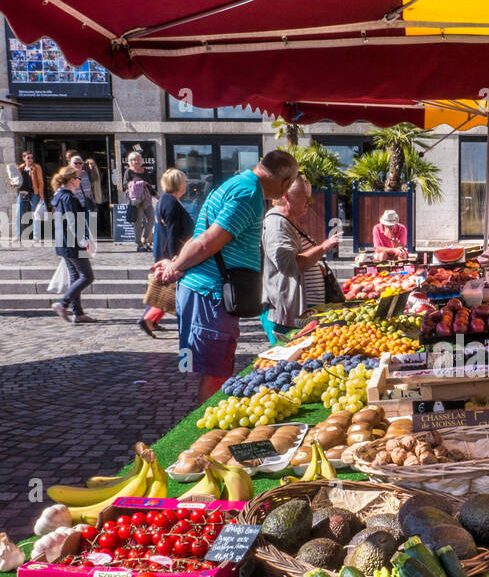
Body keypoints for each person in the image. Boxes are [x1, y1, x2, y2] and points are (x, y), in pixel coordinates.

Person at [151, 150, 299, 403]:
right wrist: (175, 268)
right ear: (284, 182)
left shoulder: (236, 183)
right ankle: (202, 430)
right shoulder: (248, 193)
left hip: (205, 290)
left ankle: (199, 414)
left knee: (208, 365)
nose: (285, 193)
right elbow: (209, 242)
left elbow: (201, 236)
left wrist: (177, 262)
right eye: (289, 186)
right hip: (211, 292)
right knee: (217, 371)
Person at [261, 174, 340, 339]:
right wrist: (323, 247)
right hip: (288, 315)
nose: (309, 202)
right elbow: (289, 265)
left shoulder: (289, 221)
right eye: (304, 197)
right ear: (285, 196)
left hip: (302, 312)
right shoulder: (277, 224)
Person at [140, 168, 194, 338]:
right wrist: (173, 260)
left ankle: (150, 320)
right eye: (184, 181)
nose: (186, 184)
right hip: (172, 254)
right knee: (168, 289)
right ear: (178, 184)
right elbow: (172, 232)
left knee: (165, 288)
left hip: (169, 252)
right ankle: (149, 319)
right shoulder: (170, 202)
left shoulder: (167, 200)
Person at [50, 166, 95, 324]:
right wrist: (83, 240)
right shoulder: (68, 197)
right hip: (73, 243)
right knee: (87, 276)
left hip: (63, 243)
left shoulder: (59, 196)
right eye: (78, 178)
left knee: (75, 276)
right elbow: (72, 221)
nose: (79, 181)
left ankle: (78, 313)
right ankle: (63, 303)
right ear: (71, 180)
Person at [125, 154, 154, 253]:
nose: (136, 161)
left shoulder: (144, 171)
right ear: (130, 161)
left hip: (146, 199)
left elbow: (150, 185)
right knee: (138, 222)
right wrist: (138, 184)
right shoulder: (128, 171)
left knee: (151, 219)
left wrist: (156, 195)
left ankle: (144, 238)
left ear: (141, 160)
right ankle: (139, 244)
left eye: (138, 159)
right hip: (136, 201)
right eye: (133, 160)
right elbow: (125, 185)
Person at [13, 149, 43, 241]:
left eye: (31, 158)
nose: (30, 159)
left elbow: (40, 181)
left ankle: (36, 235)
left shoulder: (36, 167)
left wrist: (41, 194)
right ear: (24, 158)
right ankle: (17, 235)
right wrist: (13, 183)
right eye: (28, 158)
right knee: (18, 212)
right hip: (23, 192)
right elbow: (14, 179)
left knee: (35, 213)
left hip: (34, 192)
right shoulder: (20, 168)